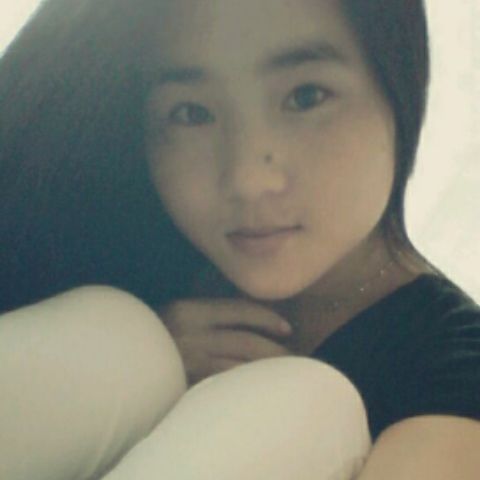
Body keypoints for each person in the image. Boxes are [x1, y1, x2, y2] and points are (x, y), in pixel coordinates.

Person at [0, 0, 479, 479]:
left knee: (304, 404)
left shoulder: (452, 367)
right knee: (126, 337)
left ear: (400, 91)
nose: (248, 179)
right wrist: (138, 367)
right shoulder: (111, 241)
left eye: (306, 97)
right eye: (191, 113)